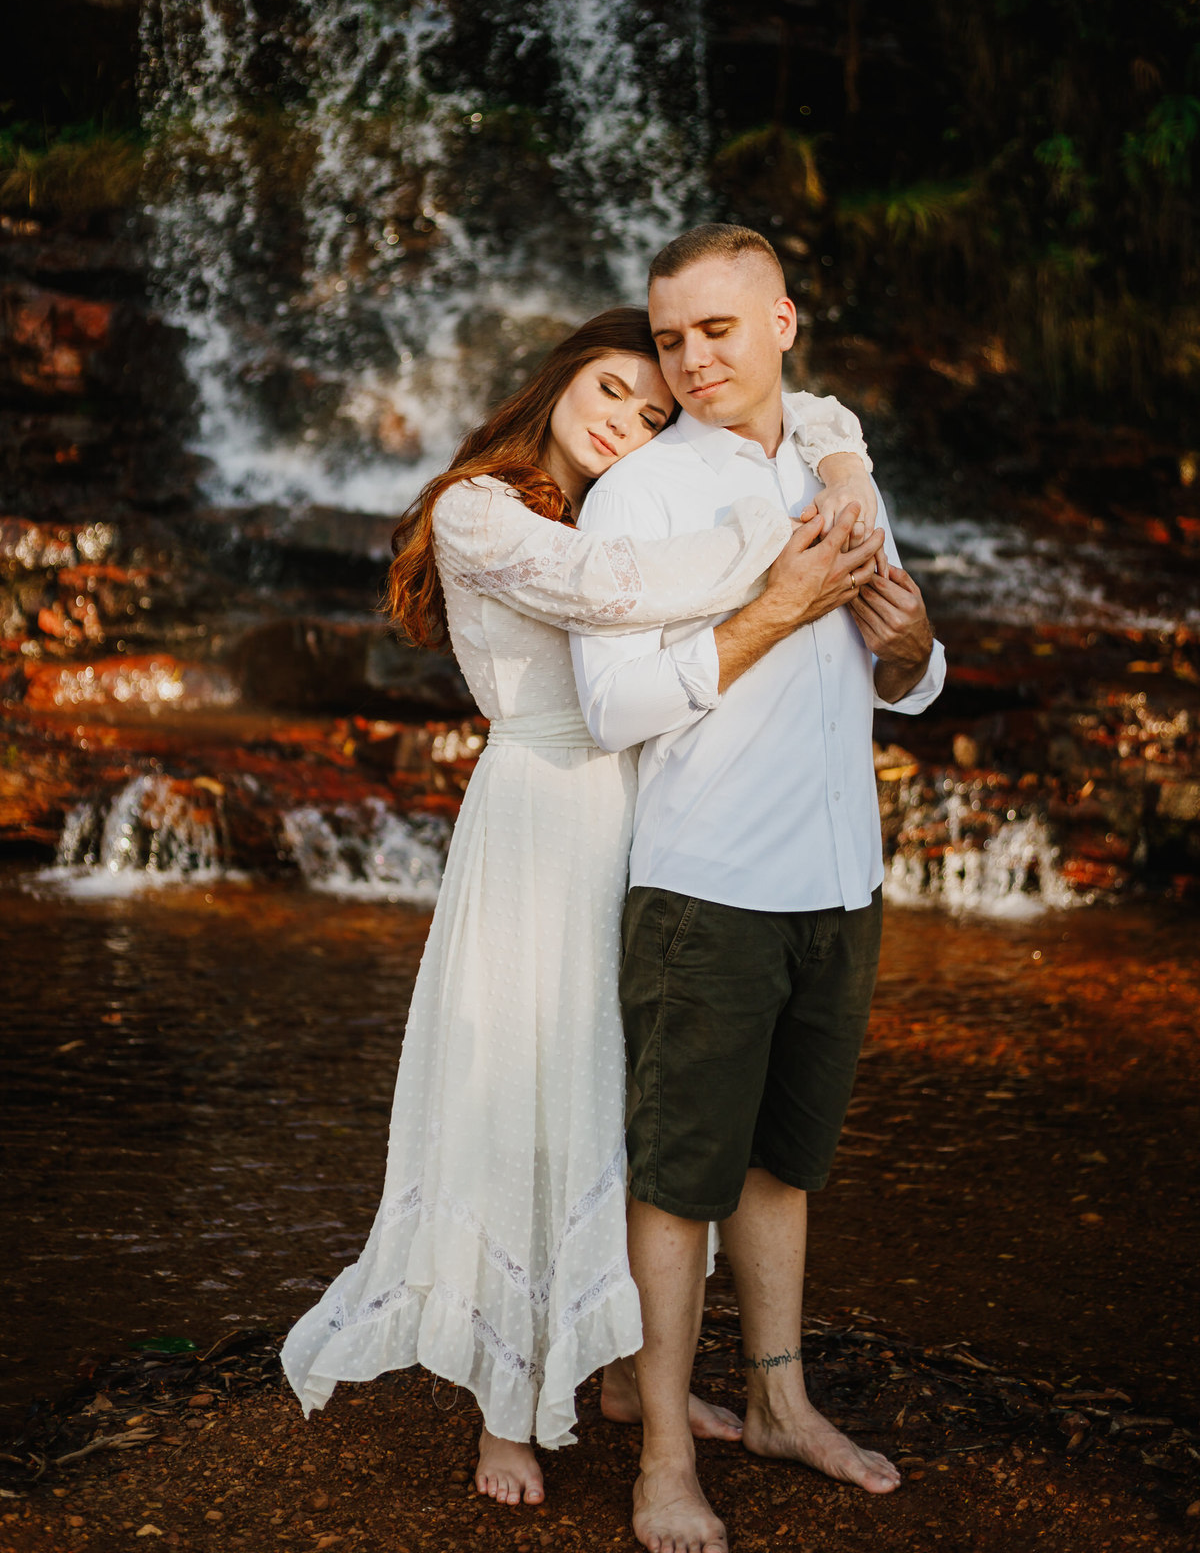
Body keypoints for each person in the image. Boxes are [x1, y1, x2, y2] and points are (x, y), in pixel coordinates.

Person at [281, 306, 878, 1507]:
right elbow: (611, 592)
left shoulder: (626, 488)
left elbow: (801, 407)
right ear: (559, 378)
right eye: (611, 389)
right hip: (542, 817)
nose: (627, 422)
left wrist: (842, 457)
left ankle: (617, 1373)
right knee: (528, 1098)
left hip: (645, 814)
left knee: (629, 1103)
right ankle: (505, 1406)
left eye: (652, 412)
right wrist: (785, 532)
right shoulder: (478, 511)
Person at [571, 226, 947, 1553]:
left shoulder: (836, 466)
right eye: (671, 338)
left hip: (839, 879)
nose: (691, 359)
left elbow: (902, 669)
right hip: (705, 885)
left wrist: (912, 654)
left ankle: (782, 1404)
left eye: (717, 330)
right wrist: (778, 608)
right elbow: (609, 705)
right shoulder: (638, 496)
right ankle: (664, 1452)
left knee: (786, 1167)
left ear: (782, 322)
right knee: (679, 1180)